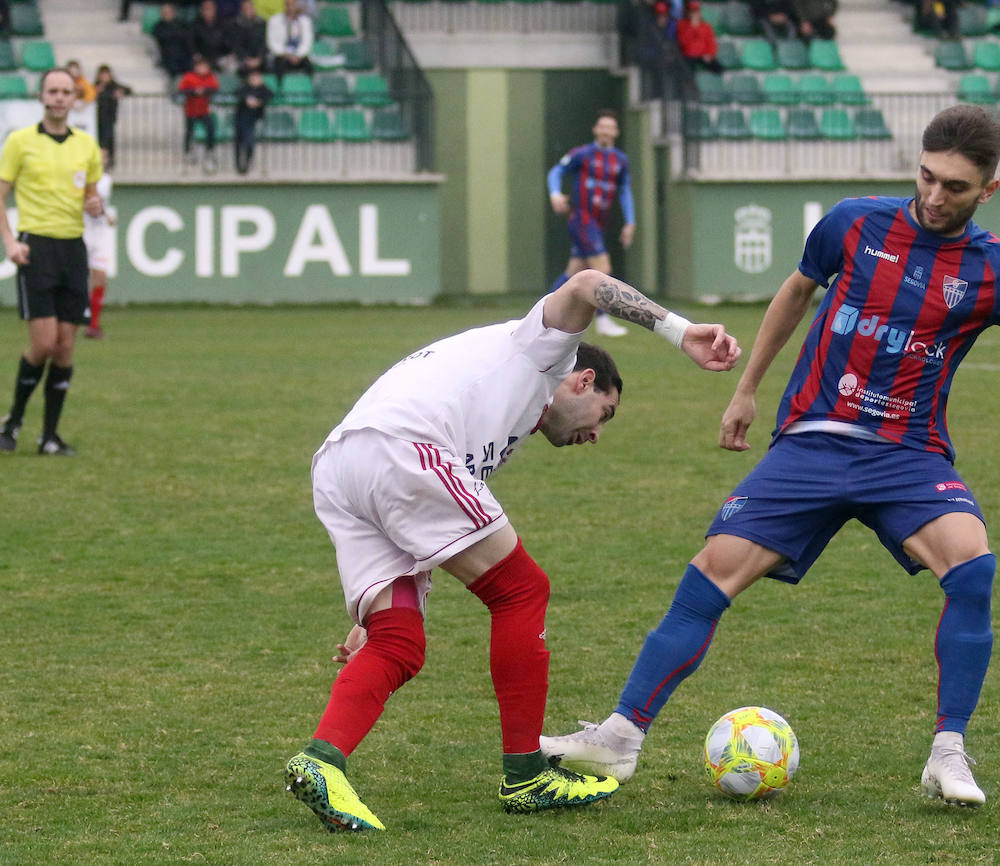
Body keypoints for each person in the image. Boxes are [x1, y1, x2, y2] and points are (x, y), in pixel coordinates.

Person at [541, 104, 1000, 809]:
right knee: (710, 576)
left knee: (972, 566)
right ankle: (620, 735)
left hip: (908, 454)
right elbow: (796, 291)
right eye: (927, 177)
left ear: (989, 190)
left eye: (955, 187)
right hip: (813, 441)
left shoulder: (993, 270)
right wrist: (748, 389)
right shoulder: (854, 222)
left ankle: (949, 753)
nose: (936, 196)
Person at [283, 269, 742, 830]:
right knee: (522, 590)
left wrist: (384, 598)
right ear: (583, 381)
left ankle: (321, 761)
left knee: (397, 641)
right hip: (404, 446)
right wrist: (681, 330)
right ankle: (525, 773)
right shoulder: (546, 353)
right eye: (606, 413)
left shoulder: (499, 417)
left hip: (341, 465)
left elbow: (423, 510)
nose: (597, 434)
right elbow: (586, 284)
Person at [0, 68, 104, 456]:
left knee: (64, 348)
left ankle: (49, 437)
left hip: (72, 250)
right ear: (42, 97)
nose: (59, 97)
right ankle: (12, 422)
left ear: (74, 98)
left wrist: (95, 205)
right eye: (52, 91)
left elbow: (92, 199)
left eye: (66, 92)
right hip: (36, 247)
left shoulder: (86, 145)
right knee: (42, 344)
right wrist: (10, 240)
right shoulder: (20, 142)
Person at [547, 110, 637, 338]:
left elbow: (625, 191)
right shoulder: (583, 154)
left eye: (611, 127)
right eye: (602, 126)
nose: (606, 131)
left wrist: (630, 221)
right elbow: (556, 171)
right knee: (602, 270)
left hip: (598, 222)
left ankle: (541, 312)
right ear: (596, 129)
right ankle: (603, 319)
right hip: (582, 219)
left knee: (574, 271)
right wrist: (556, 194)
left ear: (616, 132)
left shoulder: (620, 160)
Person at [83, 149, 114, 340]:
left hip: (100, 234)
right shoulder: (83, 179)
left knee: (100, 277)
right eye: (99, 156)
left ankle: (93, 325)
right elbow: (95, 201)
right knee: (78, 279)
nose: (102, 160)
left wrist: (108, 215)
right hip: (81, 232)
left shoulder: (107, 180)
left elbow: (102, 204)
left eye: (105, 157)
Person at [178, 55, 220, 172]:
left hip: (204, 110)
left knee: (210, 129)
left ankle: (209, 151)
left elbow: (215, 88)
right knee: (189, 131)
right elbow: (182, 89)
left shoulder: (210, 77)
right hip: (191, 110)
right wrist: (194, 92)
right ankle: (187, 151)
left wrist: (204, 91)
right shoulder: (189, 77)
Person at [233, 66, 272, 174]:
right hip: (240, 119)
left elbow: (269, 95)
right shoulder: (245, 88)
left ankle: (248, 162)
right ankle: (239, 165)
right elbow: (237, 93)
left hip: (253, 120)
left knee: (249, 142)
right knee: (239, 142)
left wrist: (258, 102)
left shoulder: (263, 89)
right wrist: (247, 99)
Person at [94, 65, 132, 170]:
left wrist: (121, 92)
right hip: (97, 117)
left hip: (110, 117)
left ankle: (109, 160)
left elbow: (128, 89)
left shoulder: (114, 86)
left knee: (109, 139)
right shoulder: (96, 86)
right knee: (99, 139)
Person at [266, 0, 314, 81]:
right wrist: (286, 54)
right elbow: (272, 43)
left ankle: (309, 89)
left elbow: (307, 42)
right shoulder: (274, 20)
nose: (290, 8)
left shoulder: (305, 21)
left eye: (293, 5)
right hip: (282, 55)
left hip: (299, 55)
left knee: (309, 66)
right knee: (279, 65)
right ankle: (280, 89)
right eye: (287, 5)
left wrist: (298, 55)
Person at [676, 1, 723, 73]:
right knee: (688, 70)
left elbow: (711, 43)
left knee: (719, 68)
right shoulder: (682, 25)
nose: (694, 14)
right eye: (692, 12)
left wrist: (709, 54)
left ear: (699, 13)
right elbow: (683, 42)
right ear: (688, 13)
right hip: (689, 55)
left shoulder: (706, 26)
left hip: (703, 55)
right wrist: (692, 27)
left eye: (695, 11)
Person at [152, 3, 195, 79]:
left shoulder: (182, 25)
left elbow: (188, 43)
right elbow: (159, 44)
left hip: (183, 58)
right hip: (168, 58)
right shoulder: (158, 27)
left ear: (173, 12)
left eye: (168, 12)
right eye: (163, 12)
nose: (165, 14)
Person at [227, 0, 269, 73]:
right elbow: (236, 45)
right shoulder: (235, 25)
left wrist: (259, 58)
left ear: (254, 9)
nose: (247, 10)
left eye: (250, 8)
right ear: (241, 10)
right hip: (242, 59)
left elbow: (264, 43)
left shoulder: (262, 23)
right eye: (245, 8)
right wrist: (246, 59)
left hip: (260, 58)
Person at [191, 0, 233, 69]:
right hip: (203, 58)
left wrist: (228, 54)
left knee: (232, 65)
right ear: (202, 10)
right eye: (205, 8)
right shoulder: (196, 24)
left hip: (221, 57)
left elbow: (230, 42)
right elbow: (191, 42)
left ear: (215, 9)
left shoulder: (224, 23)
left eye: (210, 8)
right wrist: (195, 54)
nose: (208, 11)